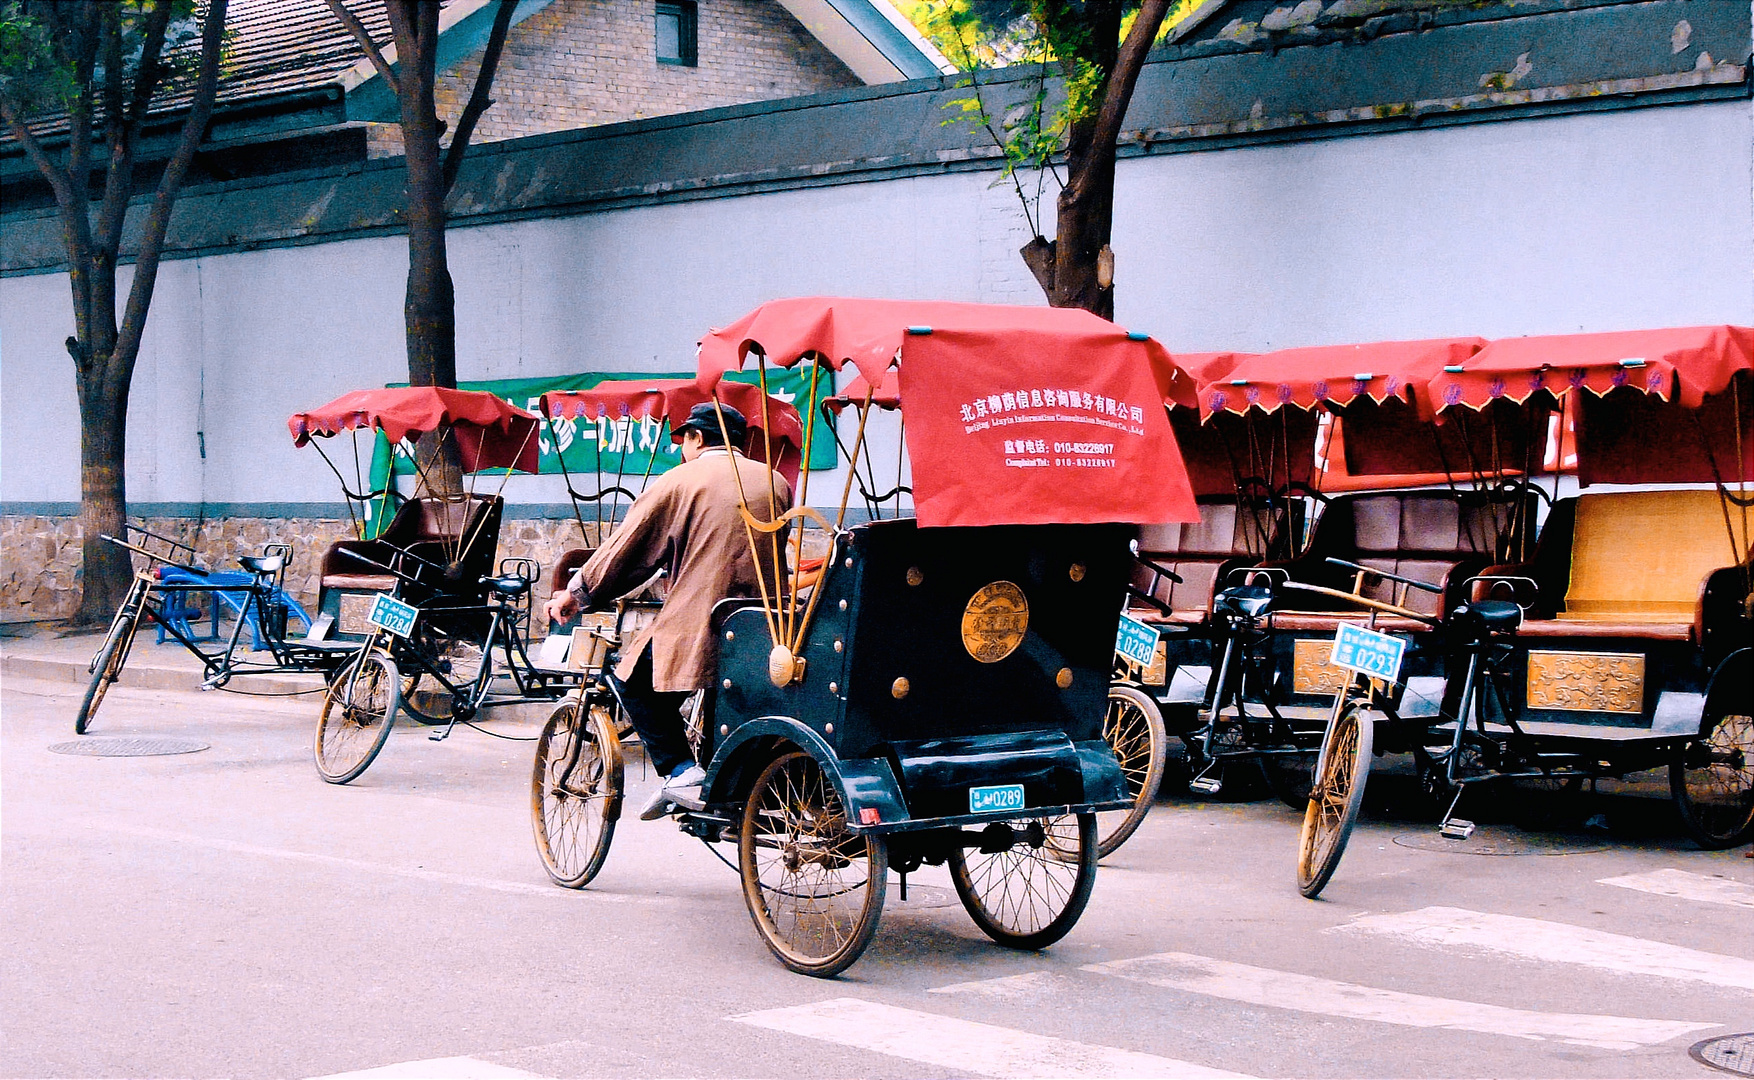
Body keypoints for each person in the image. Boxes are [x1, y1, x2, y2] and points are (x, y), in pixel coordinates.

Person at [544, 402, 791, 819]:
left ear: (696, 438)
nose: (682, 448)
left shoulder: (680, 481)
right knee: (726, 697)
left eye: (684, 440)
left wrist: (578, 592)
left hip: (703, 618)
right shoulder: (775, 481)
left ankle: (679, 770)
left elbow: (630, 549)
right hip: (767, 622)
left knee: (633, 680)